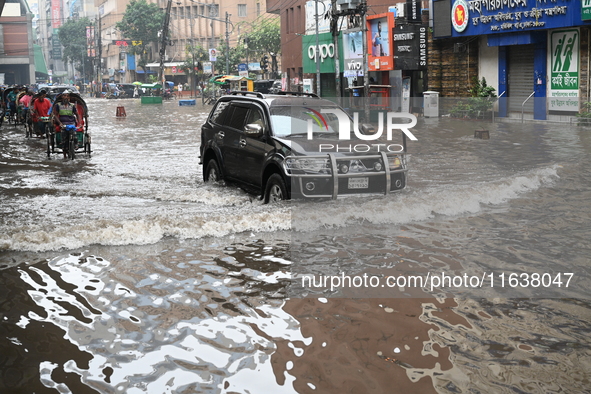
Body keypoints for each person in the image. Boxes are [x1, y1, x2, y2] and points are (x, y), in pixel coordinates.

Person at [52, 91, 81, 158]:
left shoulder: (72, 105)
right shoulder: (58, 105)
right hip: (63, 123)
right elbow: (55, 115)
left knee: (74, 133)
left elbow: (77, 114)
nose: (66, 97)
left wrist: (79, 123)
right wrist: (60, 123)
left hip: (71, 122)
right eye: (64, 96)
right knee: (64, 138)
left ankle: (75, 144)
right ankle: (64, 153)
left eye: (67, 96)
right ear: (62, 97)